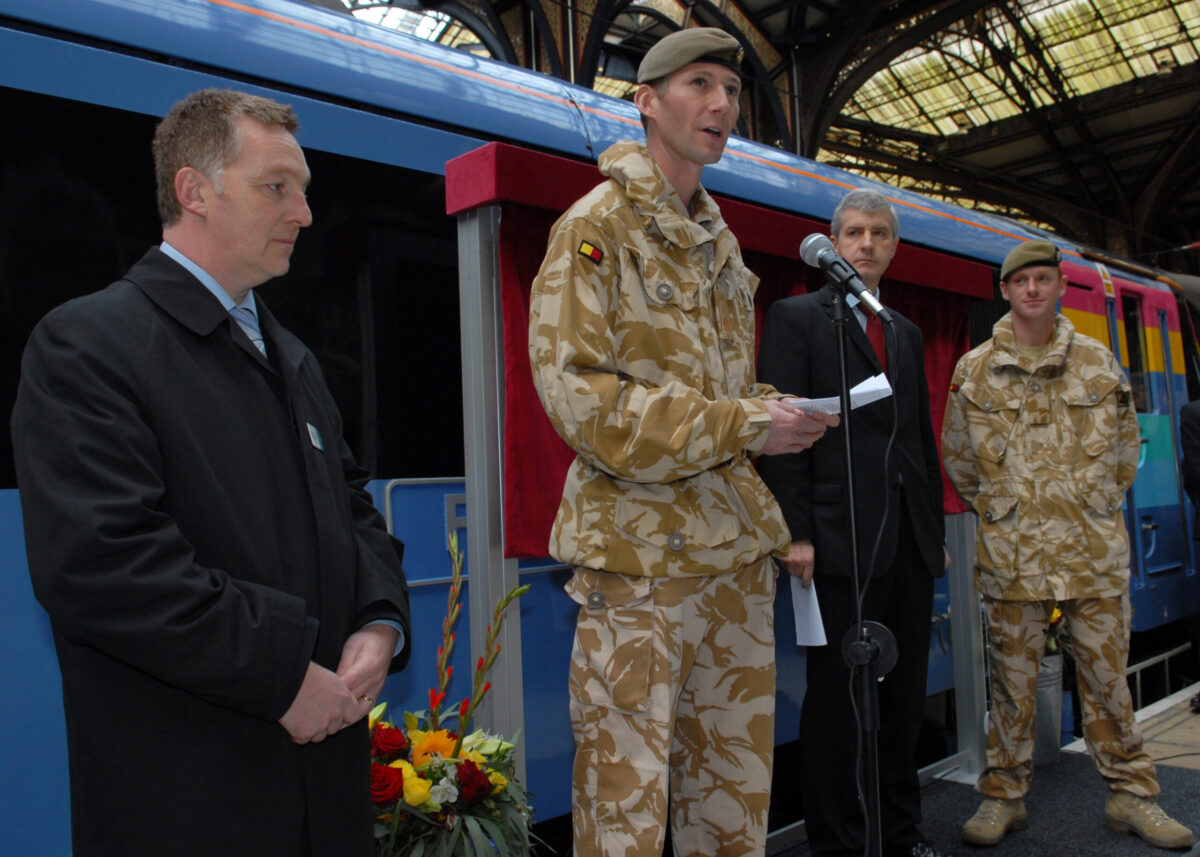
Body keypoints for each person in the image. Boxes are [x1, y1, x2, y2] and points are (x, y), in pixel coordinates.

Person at [11, 89, 411, 857]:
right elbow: (102, 563)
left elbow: (352, 504)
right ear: (194, 191)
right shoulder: (88, 343)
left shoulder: (290, 355)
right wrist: (284, 675)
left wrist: (379, 618)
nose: (302, 212)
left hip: (321, 804)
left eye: (303, 190)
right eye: (276, 188)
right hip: (188, 803)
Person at [527, 27, 836, 857]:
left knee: (733, 807)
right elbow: (584, 404)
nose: (722, 104)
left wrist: (779, 411)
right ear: (647, 102)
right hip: (640, 571)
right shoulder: (596, 229)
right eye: (699, 84)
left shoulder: (720, 241)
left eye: (731, 90)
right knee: (623, 810)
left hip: (731, 560)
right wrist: (746, 424)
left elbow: (718, 392)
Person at [941, 239, 1194, 850]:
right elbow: (959, 459)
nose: (1032, 289)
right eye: (1020, 280)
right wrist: (1008, 511)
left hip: (1091, 551)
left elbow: (1126, 450)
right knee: (1010, 684)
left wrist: (1086, 502)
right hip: (1013, 556)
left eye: (1043, 279)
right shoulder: (973, 370)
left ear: (1058, 288)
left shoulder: (1098, 363)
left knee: (1109, 683)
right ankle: (1004, 799)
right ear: (1004, 291)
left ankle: (1131, 797)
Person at [757, 189, 949, 857]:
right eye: (855, 233)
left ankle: (900, 834)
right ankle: (836, 843)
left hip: (906, 547)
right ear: (834, 245)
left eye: (879, 233)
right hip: (836, 548)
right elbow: (781, 436)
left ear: (894, 248)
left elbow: (918, 437)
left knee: (900, 706)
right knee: (837, 708)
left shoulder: (903, 329)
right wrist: (795, 531)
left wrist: (934, 535)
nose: (866, 243)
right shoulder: (796, 317)